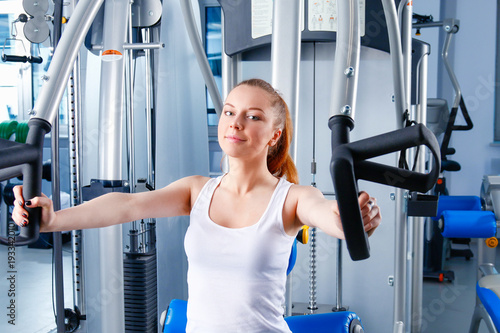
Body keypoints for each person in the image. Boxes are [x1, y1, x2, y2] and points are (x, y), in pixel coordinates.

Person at [12, 78, 381, 332]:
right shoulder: (197, 190)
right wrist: (54, 219)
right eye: (229, 112)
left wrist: (354, 218)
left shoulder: (292, 198)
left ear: (275, 134)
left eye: (253, 116)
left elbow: (329, 215)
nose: (235, 123)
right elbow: (126, 206)